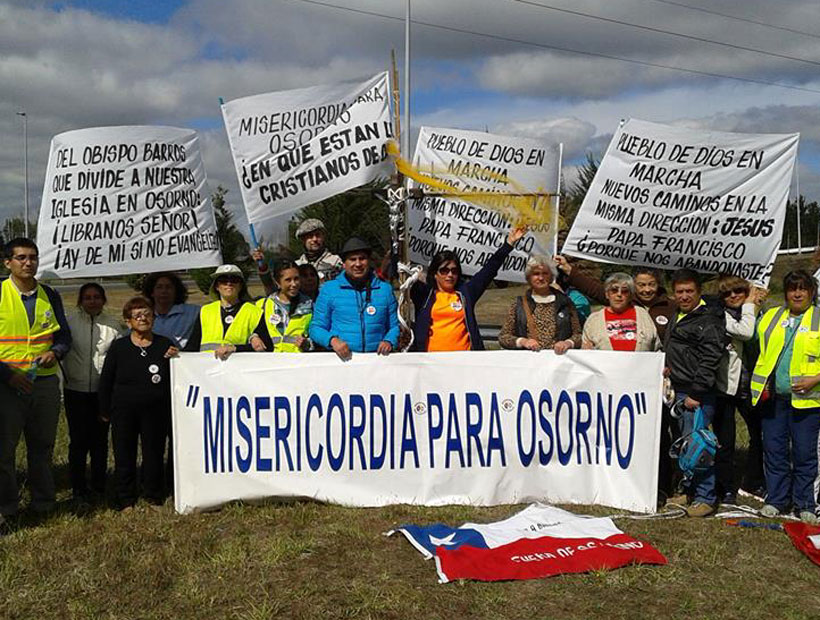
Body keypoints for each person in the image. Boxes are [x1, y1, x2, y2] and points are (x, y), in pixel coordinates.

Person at [0, 238, 72, 521]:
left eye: (33, 257)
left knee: (42, 448)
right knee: (3, 452)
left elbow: (64, 336)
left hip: (43, 384)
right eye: (21, 258)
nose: (28, 262)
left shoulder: (50, 295)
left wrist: (55, 352)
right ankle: (6, 507)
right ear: (8, 262)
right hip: (5, 385)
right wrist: (8, 375)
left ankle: (43, 503)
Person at [750, 270, 820, 524]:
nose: (797, 293)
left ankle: (805, 504)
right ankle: (776, 500)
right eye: (792, 289)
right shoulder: (770, 316)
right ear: (786, 293)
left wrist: (815, 379)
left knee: (804, 453)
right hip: (773, 399)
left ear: (812, 292)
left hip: (808, 401)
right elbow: (750, 336)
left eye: (803, 289)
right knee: (774, 451)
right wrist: (752, 302)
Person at [98, 297, 178, 509]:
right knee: (124, 454)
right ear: (128, 321)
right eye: (137, 315)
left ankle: (153, 495)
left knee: (154, 453)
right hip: (123, 411)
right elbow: (106, 379)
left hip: (156, 411)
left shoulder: (165, 344)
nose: (143, 318)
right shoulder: (119, 347)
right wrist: (104, 409)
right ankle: (126, 499)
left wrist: (177, 358)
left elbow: (178, 375)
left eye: (147, 314)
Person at [664, 269, 726, 517]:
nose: (684, 296)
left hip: (696, 394)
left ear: (698, 292)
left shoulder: (708, 319)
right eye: (680, 291)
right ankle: (687, 491)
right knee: (684, 444)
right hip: (678, 390)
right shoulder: (677, 314)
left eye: (689, 291)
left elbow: (710, 359)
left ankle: (706, 497)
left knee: (699, 445)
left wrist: (697, 394)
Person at [413, 226, 527, 352]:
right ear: (435, 273)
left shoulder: (465, 293)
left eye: (454, 271)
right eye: (444, 270)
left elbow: (489, 270)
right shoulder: (424, 295)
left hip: (465, 360)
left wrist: (509, 244)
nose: (450, 275)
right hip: (431, 360)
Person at [62, 283, 122, 505]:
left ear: (103, 300)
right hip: (75, 390)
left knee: (99, 440)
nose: (92, 301)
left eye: (97, 297)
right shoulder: (68, 323)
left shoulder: (113, 326)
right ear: (80, 301)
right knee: (77, 441)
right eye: (87, 297)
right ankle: (78, 485)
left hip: (101, 392)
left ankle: (99, 484)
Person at [713, 275, 766, 504]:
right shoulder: (720, 315)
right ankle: (725, 487)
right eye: (727, 293)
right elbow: (745, 332)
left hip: (753, 385)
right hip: (726, 386)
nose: (733, 296)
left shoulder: (761, 314)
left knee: (759, 436)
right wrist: (750, 303)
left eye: (739, 291)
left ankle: (752, 481)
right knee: (725, 439)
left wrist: (755, 304)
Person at [309, 237, 399, 360]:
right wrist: (332, 340)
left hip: (377, 362)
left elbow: (395, 326)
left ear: (368, 261)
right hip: (341, 363)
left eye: (362, 258)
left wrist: (389, 341)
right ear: (344, 264)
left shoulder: (385, 290)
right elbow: (316, 328)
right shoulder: (328, 290)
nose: (358, 264)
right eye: (352, 259)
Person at [554, 257, 676, 339]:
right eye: (641, 285)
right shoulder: (623, 299)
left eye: (651, 284)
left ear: (658, 284)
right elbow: (592, 288)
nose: (647, 289)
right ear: (633, 285)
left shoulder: (671, 306)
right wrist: (567, 269)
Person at [498, 254, 581, 354]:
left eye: (545, 273)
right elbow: (504, 337)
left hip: (557, 361)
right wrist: (523, 342)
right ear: (529, 278)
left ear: (551, 277)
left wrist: (567, 343)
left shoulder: (565, 302)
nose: (541, 278)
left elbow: (578, 336)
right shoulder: (518, 305)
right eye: (536, 274)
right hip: (529, 362)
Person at [183, 265, 262, 360]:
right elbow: (193, 345)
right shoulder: (205, 311)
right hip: (207, 368)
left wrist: (236, 348)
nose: (229, 283)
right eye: (223, 280)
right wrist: (178, 354)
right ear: (216, 286)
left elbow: (265, 347)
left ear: (241, 286)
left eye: (234, 280)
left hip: (239, 369)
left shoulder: (255, 311)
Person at [581, 273, 661, 352]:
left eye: (624, 291)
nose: (619, 294)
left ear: (630, 296)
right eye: (614, 290)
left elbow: (656, 348)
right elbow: (585, 349)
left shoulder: (643, 314)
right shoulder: (594, 319)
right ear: (607, 294)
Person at [254, 261, 313, 353]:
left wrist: (307, 344)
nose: (293, 284)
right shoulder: (263, 305)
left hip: (299, 362)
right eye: (288, 280)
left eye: (296, 279)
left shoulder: (309, 304)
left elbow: (316, 334)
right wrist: (253, 337)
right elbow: (250, 331)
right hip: (272, 362)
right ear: (278, 282)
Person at [141, 272, 200, 349]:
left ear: (176, 291)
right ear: (152, 292)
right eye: (159, 287)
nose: (164, 291)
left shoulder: (193, 312)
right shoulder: (143, 315)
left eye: (168, 287)